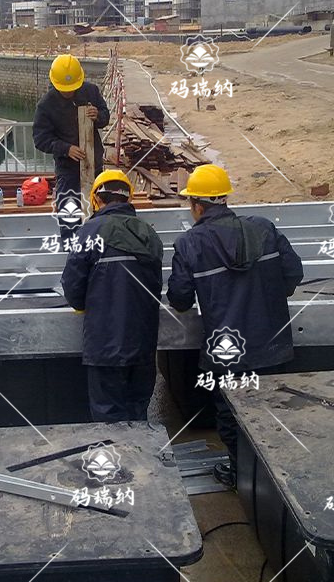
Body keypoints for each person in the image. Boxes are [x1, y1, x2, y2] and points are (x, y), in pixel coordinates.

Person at [167, 164, 303, 488]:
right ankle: (275, 478)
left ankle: (241, 474)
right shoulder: (263, 228)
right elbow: (294, 273)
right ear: (224, 199)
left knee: (231, 413)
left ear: (197, 206)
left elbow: (180, 298)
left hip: (226, 351)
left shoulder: (190, 243)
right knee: (269, 409)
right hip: (271, 344)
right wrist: (268, 298)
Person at [61, 169, 163, 422]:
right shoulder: (148, 233)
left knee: (108, 418)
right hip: (143, 344)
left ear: (97, 198)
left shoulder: (89, 232)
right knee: (138, 413)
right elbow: (155, 287)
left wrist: (83, 305)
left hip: (105, 346)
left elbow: (72, 285)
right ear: (128, 198)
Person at [32, 54, 110, 239]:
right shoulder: (46, 105)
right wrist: (65, 149)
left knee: (98, 211)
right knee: (69, 216)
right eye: (65, 90)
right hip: (68, 171)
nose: (69, 93)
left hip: (94, 165)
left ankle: (97, 247)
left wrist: (98, 116)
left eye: (72, 89)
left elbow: (105, 117)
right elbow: (40, 139)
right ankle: (71, 248)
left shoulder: (90, 91)